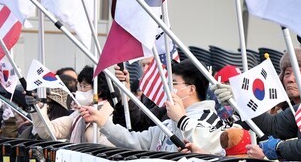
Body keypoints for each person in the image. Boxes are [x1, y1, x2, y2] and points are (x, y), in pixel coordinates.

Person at [80, 60, 231, 154]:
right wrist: (103, 122)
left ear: (191, 89)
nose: (169, 88)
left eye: (174, 84)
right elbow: (136, 141)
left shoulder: (209, 119)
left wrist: (181, 119)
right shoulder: (167, 119)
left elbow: (202, 149)